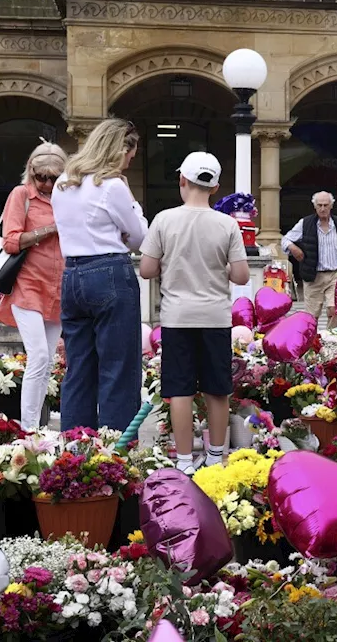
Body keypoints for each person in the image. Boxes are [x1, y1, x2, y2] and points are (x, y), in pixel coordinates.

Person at [140, 152, 249, 474]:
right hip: (215, 317)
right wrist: (221, 267)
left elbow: (146, 269)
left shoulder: (164, 219)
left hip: (176, 318)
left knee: (180, 390)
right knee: (217, 389)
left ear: (182, 181)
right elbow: (242, 276)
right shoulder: (227, 223)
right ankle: (216, 456)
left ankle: (185, 460)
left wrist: (170, 262)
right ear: (215, 188)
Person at [51, 118, 148, 432]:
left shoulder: (63, 182)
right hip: (109, 272)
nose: (129, 162)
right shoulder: (113, 185)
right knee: (119, 368)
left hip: (72, 274)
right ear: (119, 150)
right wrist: (132, 203)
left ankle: (76, 448)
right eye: (129, 156)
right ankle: (116, 451)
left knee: (78, 367)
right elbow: (139, 238)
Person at [0, 140, 68, 430]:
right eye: (42, 177)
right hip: (28, 285)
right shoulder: (21, 194)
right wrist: (51, 229)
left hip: (58, 288)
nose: (48, 184)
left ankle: (36, 426)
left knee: (48, 361)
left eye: (54, 178)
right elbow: (11, 241)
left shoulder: (67, 198)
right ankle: (29, 429)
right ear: (32, 172)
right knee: (38, 356)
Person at [282, 191, 337, 329]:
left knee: (333, 310)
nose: (323, 209)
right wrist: (293, 248)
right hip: (313, 274)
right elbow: (285, 240)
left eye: (326, 205)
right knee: (312, 315)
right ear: (315, 207)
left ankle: (332, 339)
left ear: (331, 206)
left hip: (335, 273)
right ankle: (312, 342)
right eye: (320, 205)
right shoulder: (305, 223)